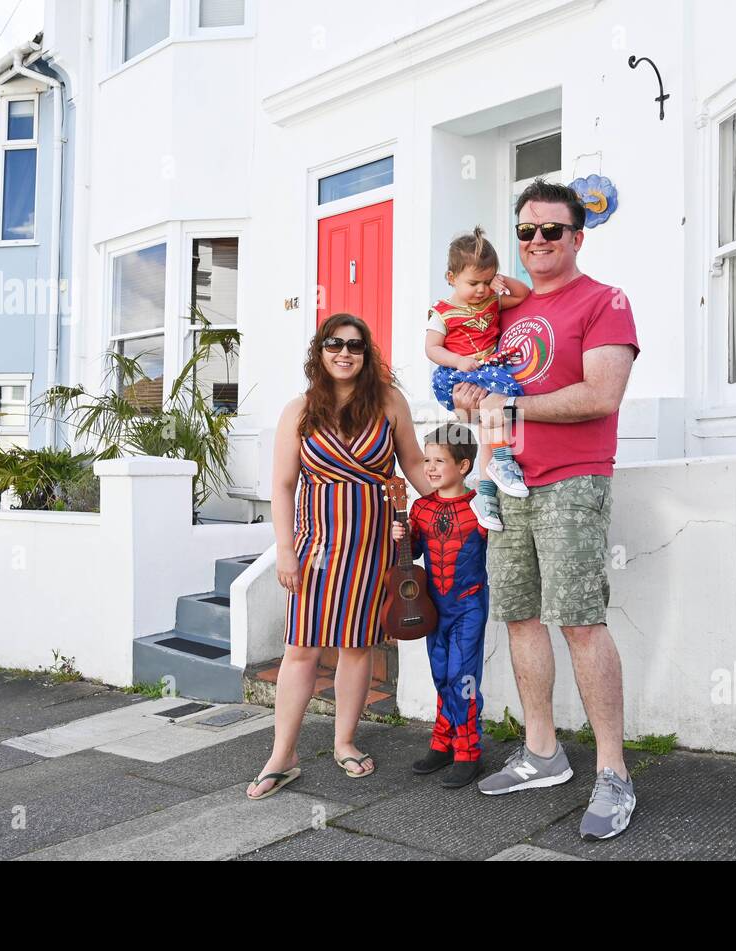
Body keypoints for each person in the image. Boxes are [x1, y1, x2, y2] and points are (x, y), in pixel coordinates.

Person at [454, 179, 640, 840]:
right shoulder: (506, 313)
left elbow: (602, 393)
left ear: (577, 235)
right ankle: (542, 753)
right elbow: (480, 393)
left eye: (551, 231)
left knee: (581, 621)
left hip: (571, 481)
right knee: (521, 616)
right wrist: (471, 400)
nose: (536, 241)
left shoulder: (604, 301)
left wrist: (514, 406)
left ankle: (614, 772)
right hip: (506, 485)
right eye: (526, 230)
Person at [247, 314, 433, 800]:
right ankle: (282, 755)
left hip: (373, 547)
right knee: (301, 648)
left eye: (355, 346)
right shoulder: (300, 410)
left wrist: (452, 500)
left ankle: (344, 741)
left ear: (366, 353)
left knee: (356, 646)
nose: (345, 353)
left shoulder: (390, 403)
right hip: (316, 548)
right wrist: (285, 551)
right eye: (335, 344)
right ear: (321, 351)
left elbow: (412, 462)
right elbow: (284, 487)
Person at [390, 423, 489, 788]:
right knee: (440, 673)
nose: (429, 468)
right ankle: (443, 742)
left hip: (468, 604)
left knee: (463, 677)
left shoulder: (479, 506)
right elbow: (412, 555)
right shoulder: (420, 508)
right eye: (426, 460)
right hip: (434, 607)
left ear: (463, 467)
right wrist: (401, 535)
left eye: (439, 461)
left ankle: (469, 751)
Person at [426, 227, 533, 532]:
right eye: (473, 283)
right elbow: (431, 348)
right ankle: (501, 459)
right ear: (451, 278)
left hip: (488, 371)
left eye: (488, 281)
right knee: (497, 408)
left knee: (491, 416)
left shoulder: (492, 302)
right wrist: (458, 360)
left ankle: (486, 495)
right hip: (458, 373)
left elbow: (522, 294)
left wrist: (504, 282)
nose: (481, 290)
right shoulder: (443, 312)